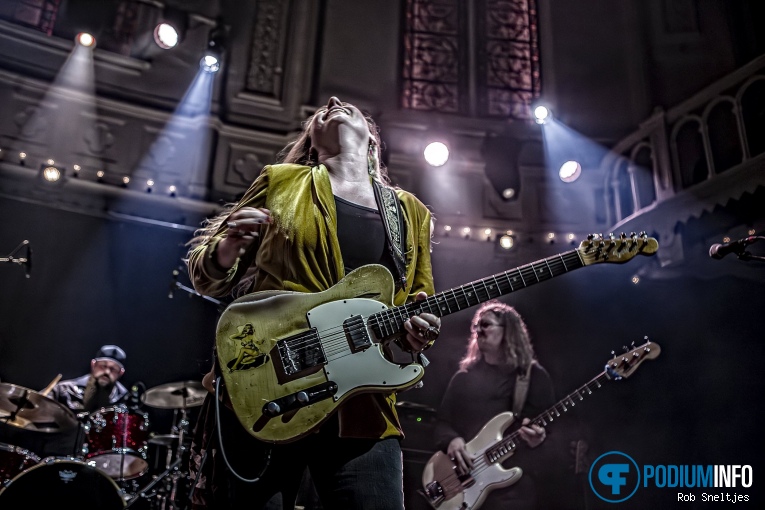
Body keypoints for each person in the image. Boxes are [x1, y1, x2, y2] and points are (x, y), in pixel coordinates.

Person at [185, 96, 441, 509]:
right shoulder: (282, 182)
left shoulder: (410, 212)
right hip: (270, 393)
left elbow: (417, 300)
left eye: (351, 106)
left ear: (371, 139)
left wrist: (420, 331)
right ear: (311, 139)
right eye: (322, 108)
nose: (334, 101)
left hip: (362, 409)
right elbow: (206, 278)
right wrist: (227, 248)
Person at [433, 301, 562, 510]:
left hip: (513, 490)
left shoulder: (533, 376)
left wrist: (540, 439)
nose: (478, 331)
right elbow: (442, 423)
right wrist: (452, 441)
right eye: (476, 326)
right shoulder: (463, 377)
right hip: (464, 483)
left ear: (508, 331)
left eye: (486, 325)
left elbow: (556, 436)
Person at [49, 344, 129, 413]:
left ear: (121, 373)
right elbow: (40, 404)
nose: (107, 372)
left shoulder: (125, 400)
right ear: (93, 364)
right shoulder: (65, 389)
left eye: (113, 369)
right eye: (103, 366)